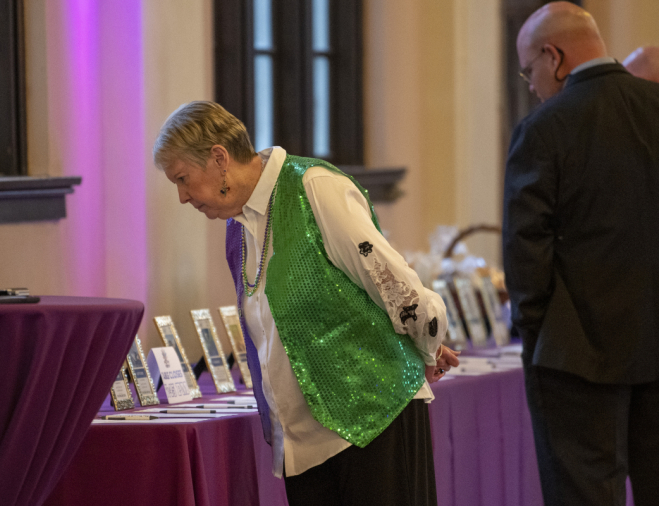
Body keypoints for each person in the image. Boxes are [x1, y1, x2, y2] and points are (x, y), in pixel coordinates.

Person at [154, 101, 459, 506]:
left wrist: (427, 346)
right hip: (303, 444)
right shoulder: (238, 227)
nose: (181, 196)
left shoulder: (314, 187)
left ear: (219, 158)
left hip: (374, 419)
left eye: (183, 178)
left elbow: (394, 284)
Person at [502, 3, 659, 505]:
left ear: (555, 56)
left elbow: (527, 245)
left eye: (530, 71)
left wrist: (534, 330)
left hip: (575, 355)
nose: (531, 85)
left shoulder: (545, 128)